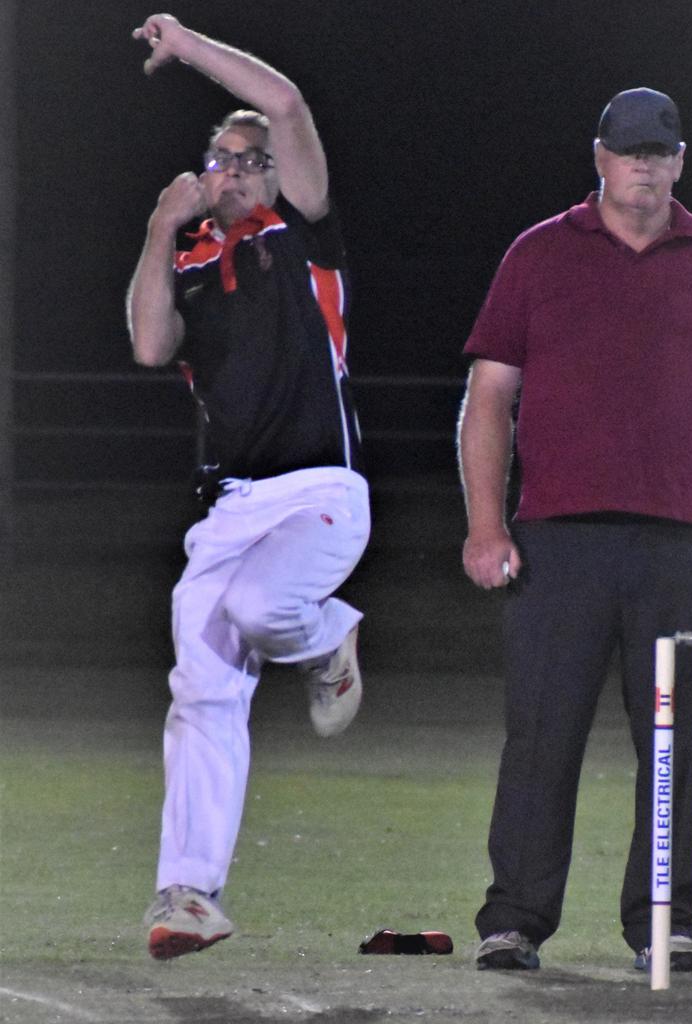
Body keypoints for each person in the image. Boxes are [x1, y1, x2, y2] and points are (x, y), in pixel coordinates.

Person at [457, 87, 692, 972]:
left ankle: (663, 927)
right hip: (558, 538)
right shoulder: (540, 254)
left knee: (679, 740)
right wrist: (485, 524)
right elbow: (489, 397)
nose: (644, 165)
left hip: (682, 538)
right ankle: (514, 920)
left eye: (659, 152)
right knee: (542, 734)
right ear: (599, 156)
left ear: (679, 161)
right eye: (628, 150)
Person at [127, 13, 370, 960]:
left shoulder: (305, 233)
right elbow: (150, 345)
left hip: (318, 491)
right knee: (202, 693)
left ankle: (329, 634)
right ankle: (187, 892)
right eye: (220, 159)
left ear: (277, 175)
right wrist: (159, 225)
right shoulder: (187, 264)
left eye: (249, 160)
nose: (233, 171)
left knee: (271, 609)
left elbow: (286, 102)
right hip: (227, 509)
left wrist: (185, 46)